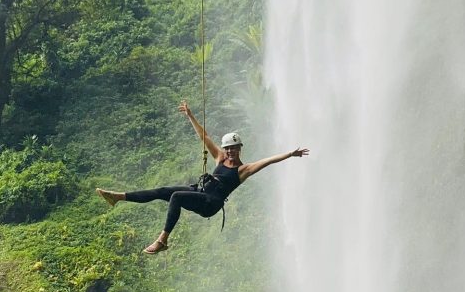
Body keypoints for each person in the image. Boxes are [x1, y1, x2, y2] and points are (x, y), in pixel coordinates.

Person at [96, 100, 309, 254]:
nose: (230, 151)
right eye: (228, 148)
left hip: (211, 204)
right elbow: (203, 136)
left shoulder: (243, 170)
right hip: (201, 192)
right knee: (163, 191)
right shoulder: (219, 157)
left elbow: (268, 161)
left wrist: (290, 154)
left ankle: (163, 240)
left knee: (177, 197)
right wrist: (190, 115)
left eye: (234, 148)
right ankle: (118, 197)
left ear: (240, 149)